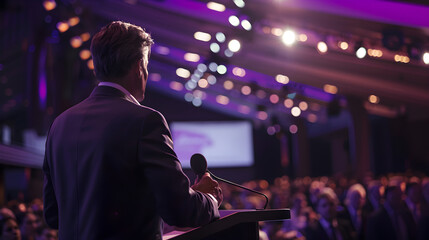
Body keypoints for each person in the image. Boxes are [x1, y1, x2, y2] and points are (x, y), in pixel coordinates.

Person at [43, 21, 222, 240]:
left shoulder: (59, 125)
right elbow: (180, 209)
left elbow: (53, 215)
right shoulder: (146, 121)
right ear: (139, 66)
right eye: (146, 65)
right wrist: (208, 197)